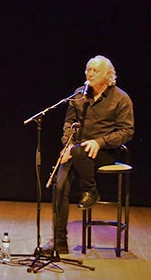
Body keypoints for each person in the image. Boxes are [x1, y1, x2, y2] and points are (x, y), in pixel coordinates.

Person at [49, 55, 134, 254]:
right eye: (88, 69)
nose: (90, 73)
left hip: (107, 151)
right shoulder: (79, 95)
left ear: (108, 74)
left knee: (80, 151)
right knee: (59, 184)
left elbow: (127, 131)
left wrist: (100, 142)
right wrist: (67, 145)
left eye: (95, 70)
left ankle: (91, 190)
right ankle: (59, 240)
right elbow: (69, 125)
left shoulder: (121, 98)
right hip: (78, 150)